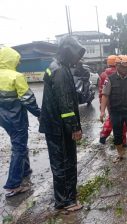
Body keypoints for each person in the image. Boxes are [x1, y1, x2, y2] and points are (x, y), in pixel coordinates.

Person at [39, 36, 85, 212]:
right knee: (66, 163)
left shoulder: (56, 67)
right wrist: (74, 127)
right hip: (60, 127)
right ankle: (67, 201)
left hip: (54, 125)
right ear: (68, 52)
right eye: (76, 54)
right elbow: (65, 104)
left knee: (59, 163)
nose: (78, 59)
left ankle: (62, 199)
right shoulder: (60, 71)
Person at [0, 47, 41, 198]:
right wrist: (39, 113)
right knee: (18, 147)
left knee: (19, 144)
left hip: (3, 119)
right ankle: (13, 184)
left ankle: (25, 170)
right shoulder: (16, 76)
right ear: (12, 60)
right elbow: (27, 99)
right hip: (16, 118)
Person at [98, 55, 127, 146]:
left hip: (107, 101)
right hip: (119, 101)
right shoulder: (119, 72)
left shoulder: (103, 74)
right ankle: (122, 141)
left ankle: (104, 134)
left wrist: (101, 102)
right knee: (123, 121)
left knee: (112, 117)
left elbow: (101, 89)